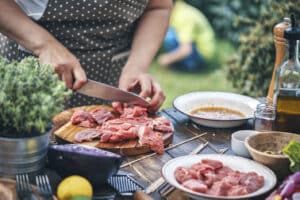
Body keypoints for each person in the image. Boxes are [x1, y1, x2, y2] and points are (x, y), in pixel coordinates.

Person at [0, 0, 172, 112]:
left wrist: (137, 66)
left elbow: (158, 7)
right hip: (27, 74)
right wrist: (44, 45)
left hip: (112, 78)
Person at [158, 0, 215, 72]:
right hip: (197, 50)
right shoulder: (178, 10)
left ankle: (188, 67)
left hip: (201, 55)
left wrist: (166, 59)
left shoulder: (184, 17)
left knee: (168, 34)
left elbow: (186, 50)